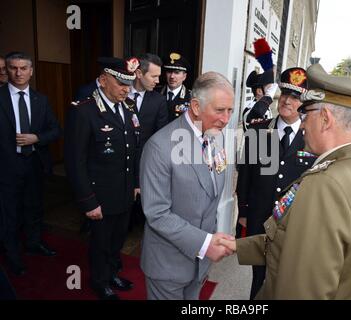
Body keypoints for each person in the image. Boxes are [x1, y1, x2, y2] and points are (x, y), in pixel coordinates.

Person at [220, 63, 351, 299]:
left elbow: (303, 287)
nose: (303, 123)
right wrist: (238, 244)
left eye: (307, 112)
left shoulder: (325, 184)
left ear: (325, 118)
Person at [140, 71, 235, 300]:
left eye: (230, 110)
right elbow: (157, 213)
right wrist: (205, 243)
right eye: (219, 110)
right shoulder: (160, 147)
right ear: (195, 106)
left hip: (200, 266)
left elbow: (209, 193)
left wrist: (214, 238)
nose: (226, 119)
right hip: (167, 267)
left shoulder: (216, 136)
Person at [64, 57, 141, 300]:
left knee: (117, 240)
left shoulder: (128, 107)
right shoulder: (84, 111)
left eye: (129, 84)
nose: (126, 89)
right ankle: (99, 281)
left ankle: (111, 274)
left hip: (124, 191)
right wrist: (88, 201)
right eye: (120, 84)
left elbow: (133, 150)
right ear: (103, 80)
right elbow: (75, 162)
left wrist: (136, 184)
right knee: (100, 243)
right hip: (100, 195)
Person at [236, 67, 314, 299]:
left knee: (285, 279)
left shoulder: (311, 138)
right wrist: (244, 211)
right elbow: (246, 175)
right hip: (260, 217)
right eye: (285, 94)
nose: (288, 101)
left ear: (304, 102)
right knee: (258, 276)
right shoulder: (259, 130)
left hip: (294, 223)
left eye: (295, 97)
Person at [0, 52, 61, 276]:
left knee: (34, 207)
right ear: (7, 70)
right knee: (10, 213)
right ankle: (13, 255)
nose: (18, 73)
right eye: (13, 68)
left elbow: (55, 129)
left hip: (34, 163)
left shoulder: (40, 99)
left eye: (23, 68)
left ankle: (34, 244)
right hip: (7, 166)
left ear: (31, 71)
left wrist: (37, 138)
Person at [128, 53, 169, 228]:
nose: (158, 80)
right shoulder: (121, 93)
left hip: (144, 161)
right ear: (138, 73)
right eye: (153, 76)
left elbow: (160, 136)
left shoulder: (158, 101)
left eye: (159, 76)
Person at [160, 52, 192, 122]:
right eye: (169, 72)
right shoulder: (156, 92)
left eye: (176, 72)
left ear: (184, 76)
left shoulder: (191, 97)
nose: (172, 76)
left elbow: (197, 122)